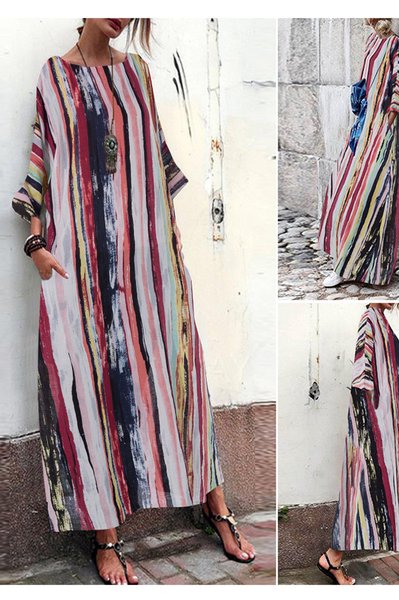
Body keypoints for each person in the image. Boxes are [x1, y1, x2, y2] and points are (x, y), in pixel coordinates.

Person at [12, 17, 254, 585]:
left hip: (150, 264)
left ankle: (217, 507)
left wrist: (171, 257)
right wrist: (36, 247)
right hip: (82, 268)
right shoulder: (54, 77)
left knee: (183, 376)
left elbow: (155, 166)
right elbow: (41, 165)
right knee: (91, 386)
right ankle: (106, 538)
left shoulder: (139, 73)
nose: (123, 14)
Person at [317, 303, 399, 585]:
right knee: (365, 490)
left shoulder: (382, 321)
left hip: (395, 424)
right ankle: (333, 557)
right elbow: (361, 379)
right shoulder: (370, 320)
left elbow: (388, 379)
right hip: (381, 428)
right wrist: (370, 429)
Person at [319, 19, 399, 289]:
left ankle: (367, 270)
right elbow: (364, 82)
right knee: (345, 191)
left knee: (374, 196)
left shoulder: (395, 45)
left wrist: (383, 128)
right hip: (362, 128)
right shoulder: (371, 41)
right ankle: (344, 263)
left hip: (383, 132)